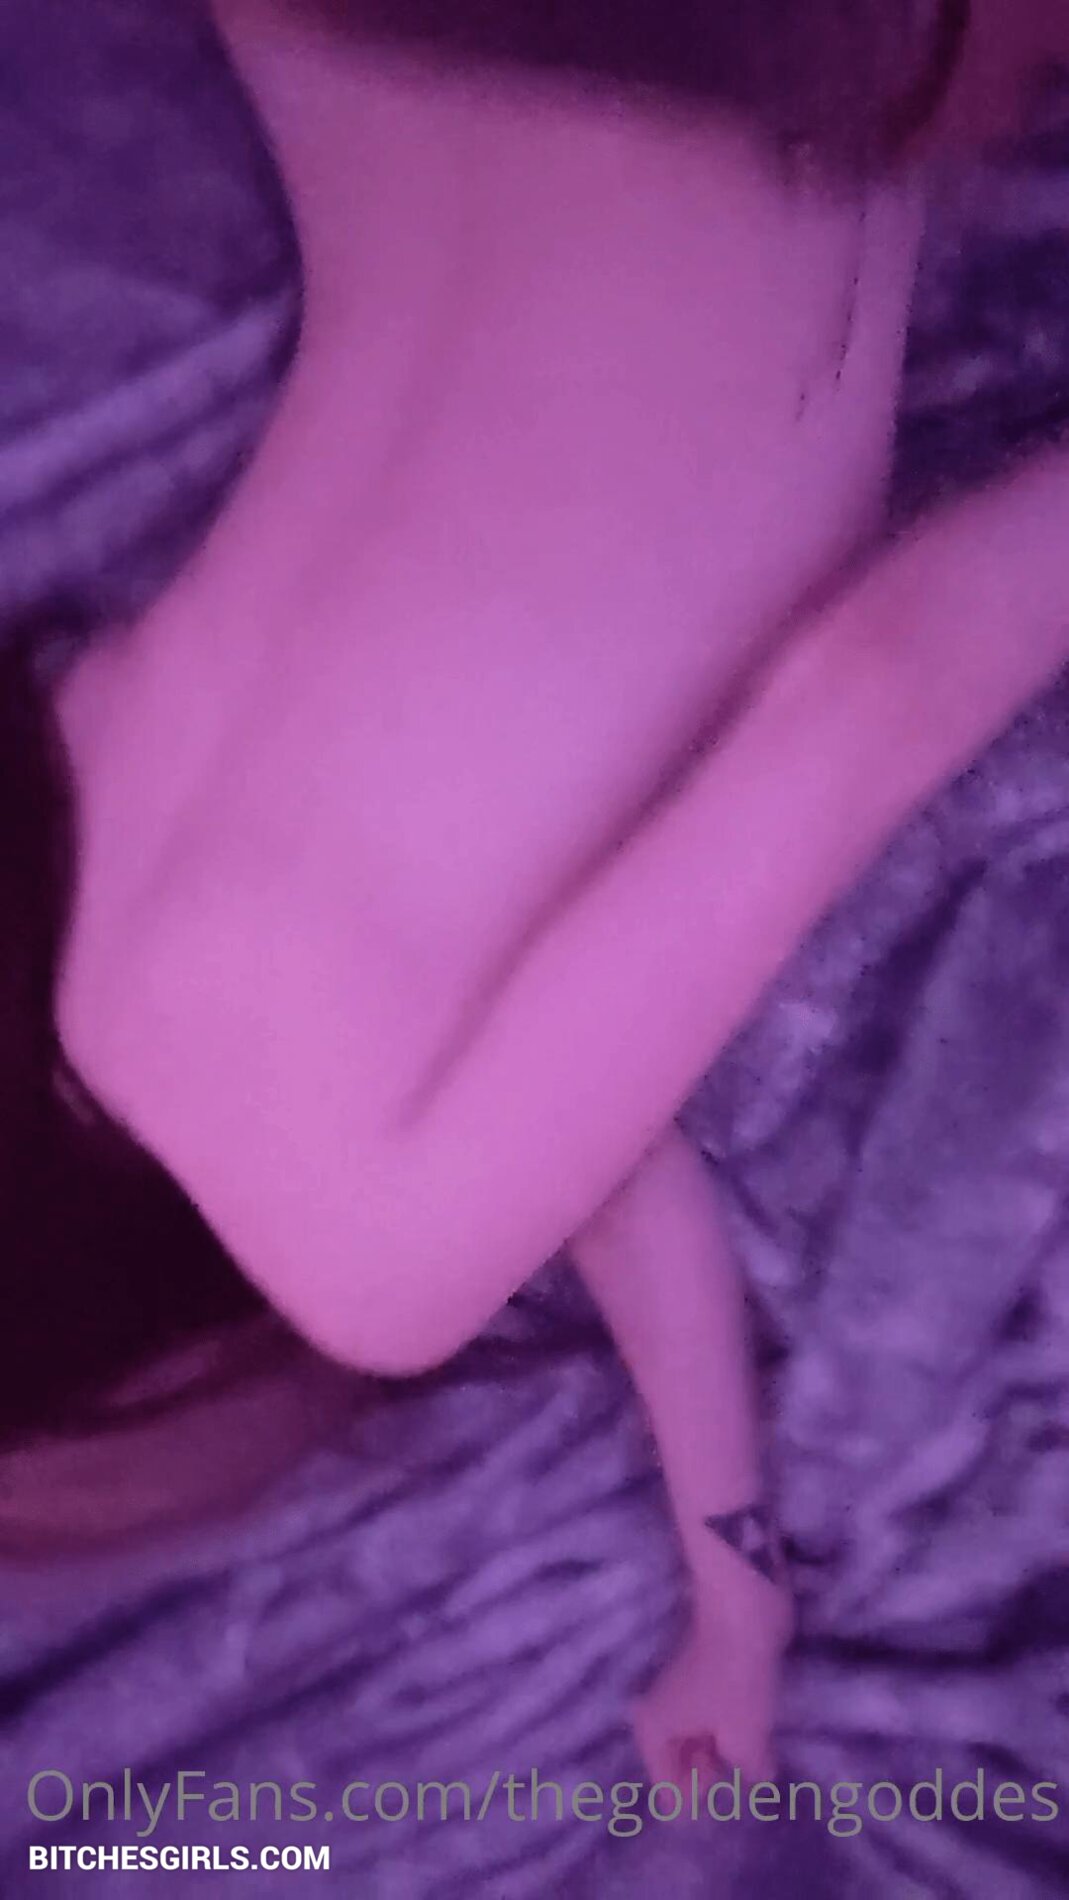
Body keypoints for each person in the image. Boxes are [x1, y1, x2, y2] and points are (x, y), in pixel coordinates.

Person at [7, 0, 1069, 1787]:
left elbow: (874, 690)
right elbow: (597, 1166)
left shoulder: (368, 1262)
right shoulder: (69, 813)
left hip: (754, 66)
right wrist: (733, 1607)